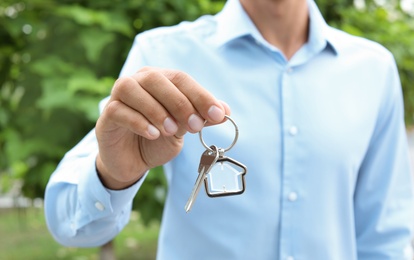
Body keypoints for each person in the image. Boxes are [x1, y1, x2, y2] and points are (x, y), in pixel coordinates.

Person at [44, 0, 414, 259]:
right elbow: (68, 225)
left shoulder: (373, 68)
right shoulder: (161, 53)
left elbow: (386, 238)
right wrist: (113, 175)